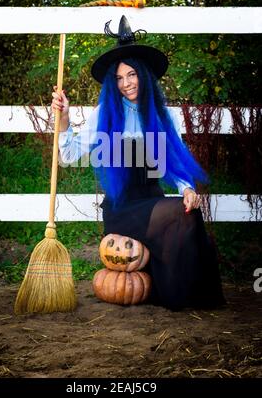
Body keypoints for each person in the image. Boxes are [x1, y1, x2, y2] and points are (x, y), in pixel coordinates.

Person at [51, 16, 226, 311]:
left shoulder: (160, 116)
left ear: (143, 75)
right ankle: (177, 296)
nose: (126, 83)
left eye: (131, 75)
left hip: (152, 203)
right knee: (179, 216)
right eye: (119, 78)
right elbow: (67, 154)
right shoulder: (105, 113)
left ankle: (183, 294)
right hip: (123, 210)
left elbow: (176, 161)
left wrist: (186, 189)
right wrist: (65, 117)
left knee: (188, 212)